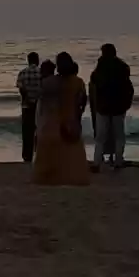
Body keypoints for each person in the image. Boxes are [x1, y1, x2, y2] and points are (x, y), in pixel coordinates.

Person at [33, 51, 89, 186]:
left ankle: (49, 178)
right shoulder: (78, 82)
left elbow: (40, 101)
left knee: (51, 155)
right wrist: (77, 117)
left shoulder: (49, 82)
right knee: (71, 155)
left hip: (51, 122)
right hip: (71, 121)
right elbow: (82, 102)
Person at [89, 44, 134, 172]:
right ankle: (118, 161)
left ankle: (97, 162)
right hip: (118, 107)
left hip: (103, 107)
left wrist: (95, 105)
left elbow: (94, 84)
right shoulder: (122, 67)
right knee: (119, 135)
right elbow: (128, 88)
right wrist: (127, 104)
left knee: (100, 137)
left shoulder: (100, 68)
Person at [16, 51, 41, 163]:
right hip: (39, 106)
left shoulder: (22, 73)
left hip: (27, 106)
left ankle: (27, 156)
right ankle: (39, 154)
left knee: (27, 132)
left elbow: (21, 90)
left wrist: (28, 99)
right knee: (40, 131)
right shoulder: (41, 73)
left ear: (28, 60)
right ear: (37, 60)